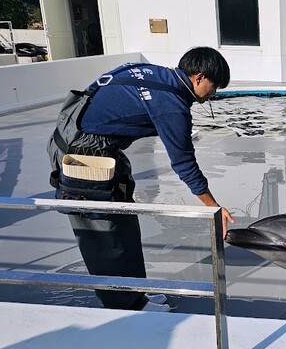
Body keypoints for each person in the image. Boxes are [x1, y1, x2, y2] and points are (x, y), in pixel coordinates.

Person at [47, 47, 234, 312]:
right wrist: (213, 206)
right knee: (104, 234)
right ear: (199, 77)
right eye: (214, 87)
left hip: (99, 146)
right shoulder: (172, 104)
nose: (213, 94)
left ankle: (135, 293)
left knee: (125, 225)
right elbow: (184, 163)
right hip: (83, 154)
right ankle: (124, 305)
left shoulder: (159, 76)